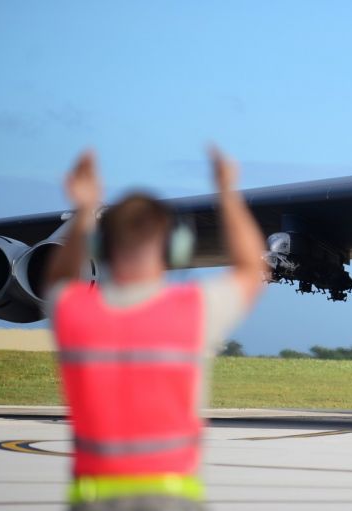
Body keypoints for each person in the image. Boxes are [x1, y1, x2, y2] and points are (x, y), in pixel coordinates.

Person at [44, 147, 267, 511]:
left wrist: (85, 209)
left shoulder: (76, 314)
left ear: (100, 248)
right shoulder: (191, 312)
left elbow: (57, 280)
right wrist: (227, 191)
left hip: (92, 499)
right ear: (174, 249)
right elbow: (249, 268)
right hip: (172, 497)